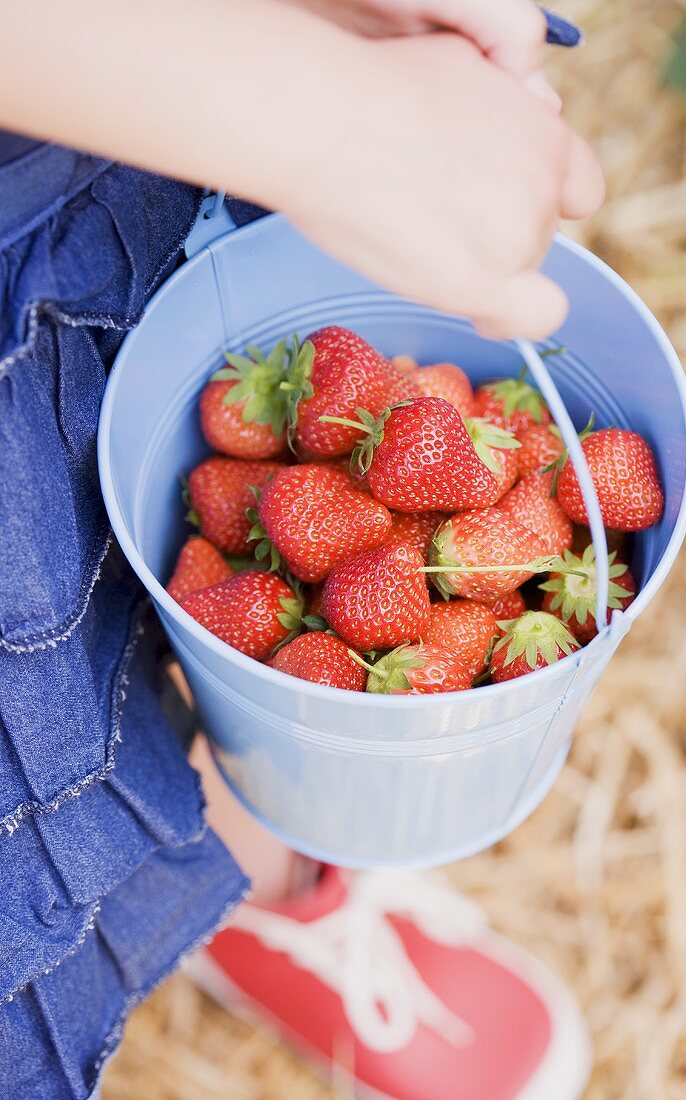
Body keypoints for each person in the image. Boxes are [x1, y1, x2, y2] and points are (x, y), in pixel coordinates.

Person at [0, 2, 603, 1097]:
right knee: (41, 675)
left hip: (127, 133)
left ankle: (255, 874)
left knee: (143, 617)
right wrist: (316, 113)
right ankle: (190, 873)